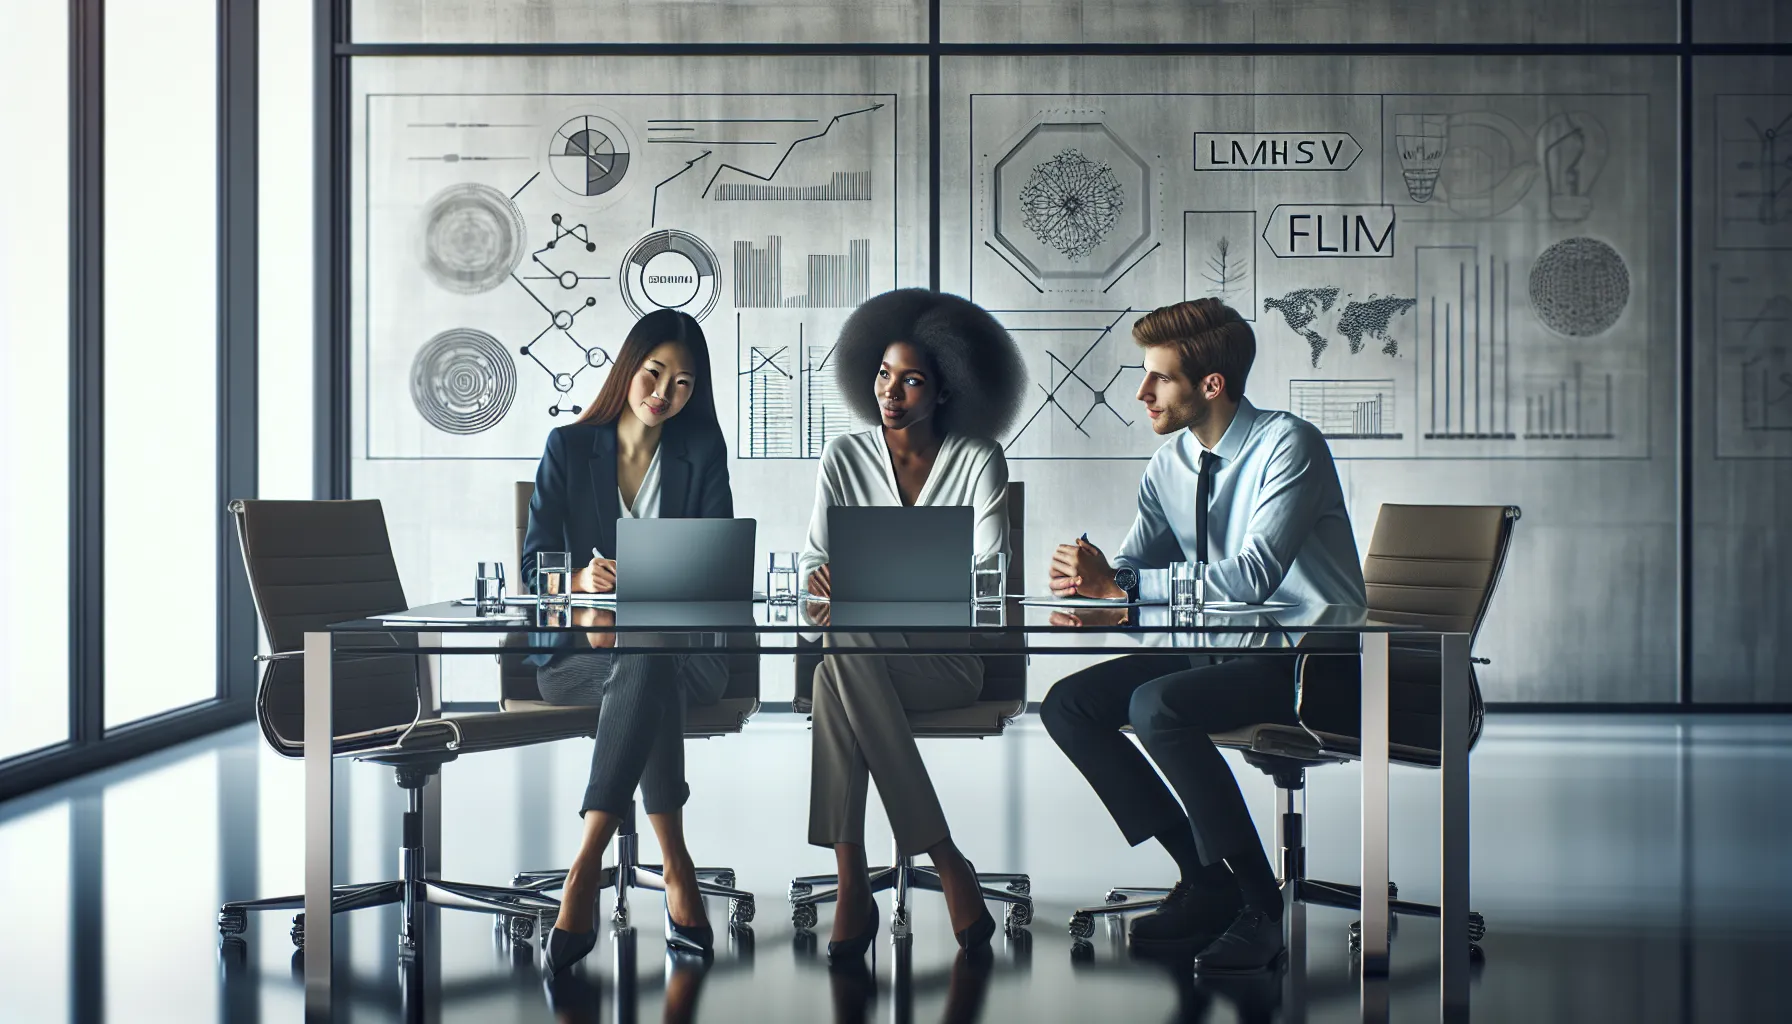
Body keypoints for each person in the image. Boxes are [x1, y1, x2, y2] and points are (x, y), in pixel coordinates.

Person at [1039, 298, 1367, 974]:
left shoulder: (1289, 445)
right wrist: (1093, 584)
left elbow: (1253, 575)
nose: (1142, 392)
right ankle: (1206, 877)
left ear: (1211, 384)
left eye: (1158, 377)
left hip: (1307, 662)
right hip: (1220, 653)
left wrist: (1122, 589)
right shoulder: (1169, 464)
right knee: (1069, 705)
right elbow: (1135, 567)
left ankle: (1260, 907)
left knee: (1158, 705)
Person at [799, 288, 1027, 960]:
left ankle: (878, 876)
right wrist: (823, 588)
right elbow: (813, 565)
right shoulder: (843, 457)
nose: (890, 392)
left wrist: (868, 589)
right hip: (863, 660)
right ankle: (914, 865)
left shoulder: (978, 458)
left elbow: (988, 576)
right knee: (841, 656)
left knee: (838, 664)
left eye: (912, 380)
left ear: (947, 388)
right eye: (882, 375)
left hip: (947, 664)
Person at [520, 308, 734, 970]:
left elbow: (719, 566)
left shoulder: (701, 454)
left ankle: (584, 866)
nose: (664, 393)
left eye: (683, 383)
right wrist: (577, 581)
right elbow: (532, 570)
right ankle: (676, 865)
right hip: (578, 662)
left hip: (686, 657)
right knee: (648, 667)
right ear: (628, 367)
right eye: (654, 372)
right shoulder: (568, 447)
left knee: (650, 657)